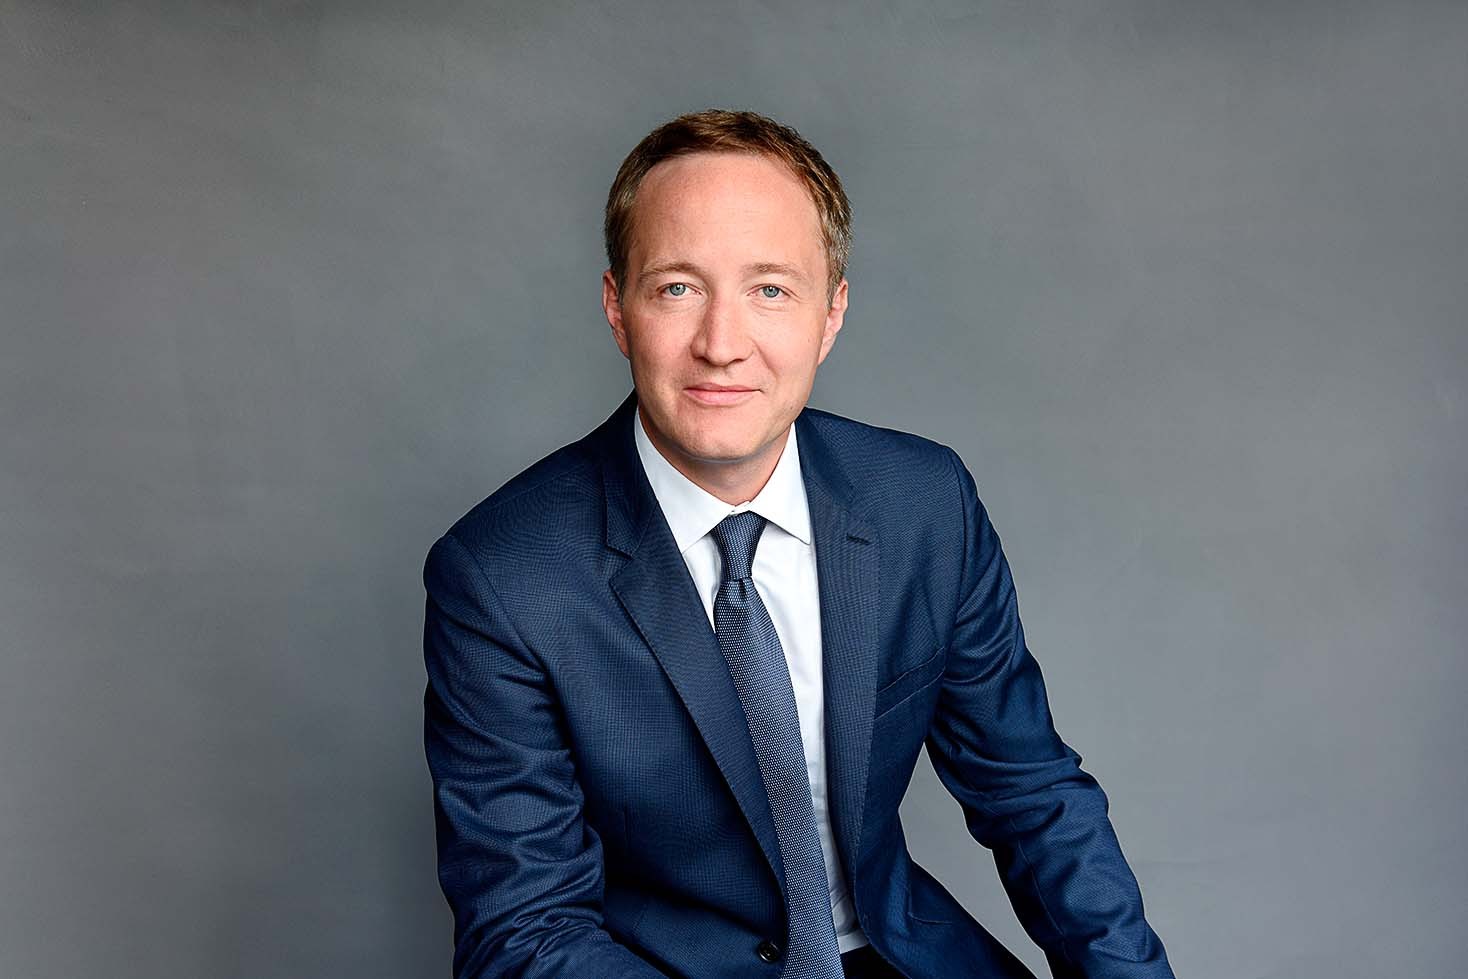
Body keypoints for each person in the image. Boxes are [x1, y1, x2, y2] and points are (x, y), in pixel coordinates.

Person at [422, 109, 1174, 979]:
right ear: (617, 309)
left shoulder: (923, 504)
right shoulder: (503, 577)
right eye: (677, 287)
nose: (722, 344)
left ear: (832, 313)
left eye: (771, 290)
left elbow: (1030, 791)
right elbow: (526, 932)